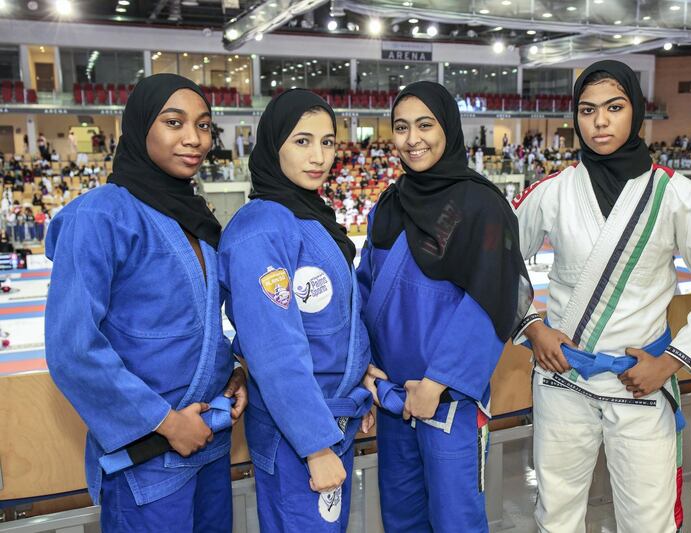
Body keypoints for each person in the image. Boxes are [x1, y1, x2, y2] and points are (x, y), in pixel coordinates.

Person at [512, 60, 691, 533]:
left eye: (614, 107)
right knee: (555, 518)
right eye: (587, 110)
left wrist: (672, 362)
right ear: (575, 118)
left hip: (640, 381)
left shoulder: (677, 196)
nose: (600, 121)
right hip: (564, 380)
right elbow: (498, 268)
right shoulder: (552, 192)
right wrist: (532, 326)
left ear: (636, 111)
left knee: (649, 522)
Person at [45, 74, 247, 533]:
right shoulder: (100, 215)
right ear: (139, 128)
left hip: (208, 441)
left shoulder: (193, 216)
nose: (193, 139)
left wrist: (234, 370)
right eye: (174, 122)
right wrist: (165, 422)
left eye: (203, 125)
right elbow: (74, 348)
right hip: (150, 453)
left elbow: (198, 322)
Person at [357, 81, 532, 533]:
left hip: (447, 401)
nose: (412, 138)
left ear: (448, 129)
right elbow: (365, 287)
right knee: (401, 518)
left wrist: (436, 383)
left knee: (456, 520)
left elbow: (494, 297)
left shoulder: (482, 207)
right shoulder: (390, 205)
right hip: (395, 397)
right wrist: (364, 363)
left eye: (425, 125)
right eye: (401, 127)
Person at [218, 89, 373, 532]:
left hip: (329, 417)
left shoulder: (310, 216)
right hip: (300, 432)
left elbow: (335, 322)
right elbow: (273, 350)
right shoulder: (262, 228)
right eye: (302, 141)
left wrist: (358, 369)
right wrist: (315, 447)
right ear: (274, 145)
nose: (318, 155)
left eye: (327, 141)